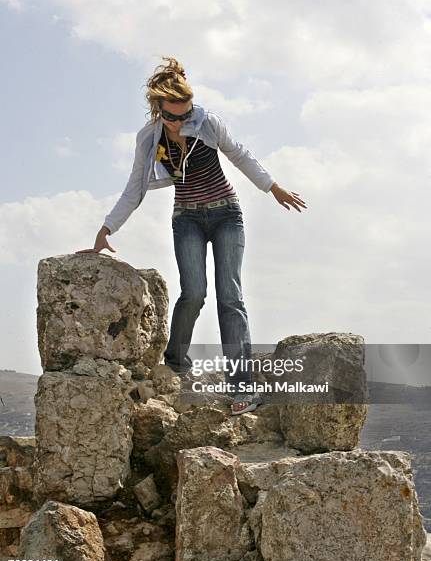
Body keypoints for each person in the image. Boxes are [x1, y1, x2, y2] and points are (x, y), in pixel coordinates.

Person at [77, 56, 307, 416]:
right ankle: (176, 358)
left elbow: (240, 156)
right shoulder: (148, 140)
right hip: (186, 219)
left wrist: (272, 187)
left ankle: (242, 388)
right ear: (158, 110)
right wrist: (105, 230)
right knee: (194, 293)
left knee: (230, 296)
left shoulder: (209, 122)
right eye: (173, 116)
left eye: (185, 115)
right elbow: (133, 189)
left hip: (226, 214)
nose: (181, 122)